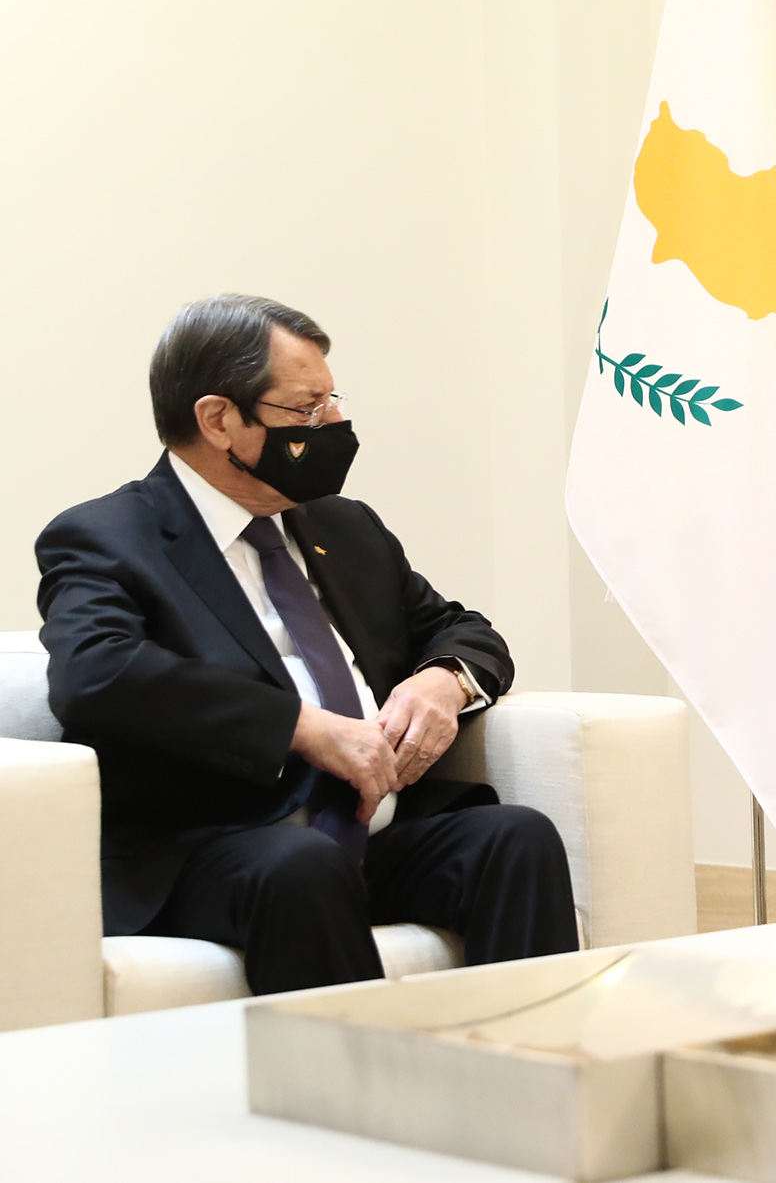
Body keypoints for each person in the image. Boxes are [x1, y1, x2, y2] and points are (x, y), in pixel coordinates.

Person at [37, 294, 578, 994]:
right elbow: (95, 673)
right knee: (300, 865)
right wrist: (301, 729)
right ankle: (364, 1101)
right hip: (215, 848)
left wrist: (443, 680)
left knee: (514, 837)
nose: (334, 425)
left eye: (332, 401)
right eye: (306, 409)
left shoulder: (344, 528)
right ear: (218, 419)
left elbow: (463, 628)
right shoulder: (109, 537)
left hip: (368, 837)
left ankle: (536, 1081)